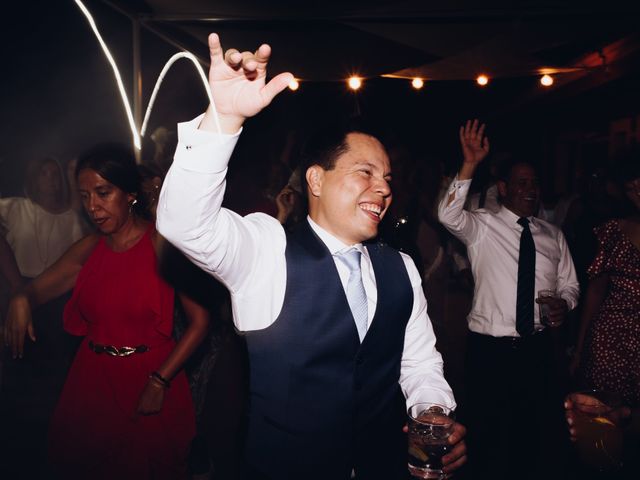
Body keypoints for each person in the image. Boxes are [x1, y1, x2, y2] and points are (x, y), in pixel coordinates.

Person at [157, 33, 466, 479]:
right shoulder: (267, 250)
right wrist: (222, 119)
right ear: (316, 180)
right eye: (365, 172)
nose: (384, 188)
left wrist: (432, 410)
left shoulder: (399, 267)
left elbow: (418, 361)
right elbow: (183, 223)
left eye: (388, 178)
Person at [4, 144, 209, 478]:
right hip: (91, 382)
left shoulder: (161, 244)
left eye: (103, 193)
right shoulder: (89, 249)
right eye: (84, 197)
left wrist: (160, 381)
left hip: (149, 377)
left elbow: (200, 322)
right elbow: (35, 289)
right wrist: (20, 298)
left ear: (129, 193)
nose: (93, 207)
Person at [438, 120, 580, 480]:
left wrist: (565, 303)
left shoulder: (553, 235)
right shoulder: (482, 225)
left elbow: (571, 286)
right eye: (521, 183)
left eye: (534, 183)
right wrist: (469, 164)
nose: (530, 190)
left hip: (536, 349)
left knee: (535, 436)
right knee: (488, 437)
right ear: (503, 188)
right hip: (490, 351)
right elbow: (447, 214)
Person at [572, 154, 640, 407]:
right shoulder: (614, 229)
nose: (637, 193)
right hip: (611, 338)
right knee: (606, 419)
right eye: (630, 188)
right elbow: (596, 290)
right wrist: (579, 349)